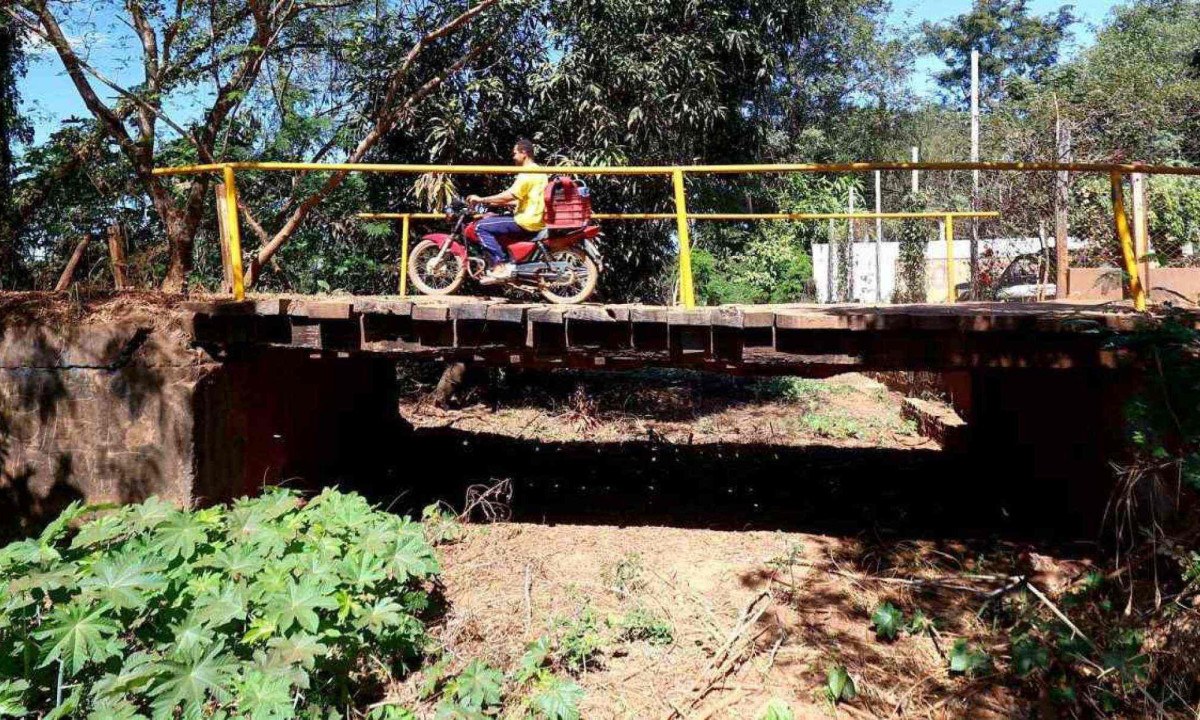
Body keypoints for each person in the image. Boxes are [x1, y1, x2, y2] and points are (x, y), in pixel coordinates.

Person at [466, 138, 547, 282]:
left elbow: (510, 195)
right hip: (534, 217)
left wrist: (482, 199)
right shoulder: (539, 171)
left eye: (515, 153)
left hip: (525, 220)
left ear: (524, 153)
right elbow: (520, 198)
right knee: (492, 218)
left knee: (481, 227)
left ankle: (500, 265)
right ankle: (507, 261)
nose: (513, 157)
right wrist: (497, 204)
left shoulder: (527, 173)